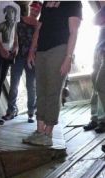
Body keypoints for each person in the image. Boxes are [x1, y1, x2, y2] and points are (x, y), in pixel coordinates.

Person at [23, 1, 82, 146]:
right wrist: (32, 50)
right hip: (42, 50)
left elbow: (74, 32)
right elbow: (39, 28)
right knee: (40, 91)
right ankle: (38, 131)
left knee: (53, 91)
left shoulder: (73, 2)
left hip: (60, 50)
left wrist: (68, 58)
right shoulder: (47, 2)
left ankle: (48, 134)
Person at [3, 1, 42, 123]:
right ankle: (11, 111)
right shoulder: (19, 20)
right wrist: (14, 45)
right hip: (19, 55)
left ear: (40, 11)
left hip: (33, 58)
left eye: (37, 9)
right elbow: (14, 35)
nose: (34, 10)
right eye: (33, 8)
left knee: (31, 86)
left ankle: (31, 112)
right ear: (30, 8)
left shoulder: (40, 24)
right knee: (14, 84)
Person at [84, 4, 105, 134]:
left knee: (101, 85)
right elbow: (95, 20)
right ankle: (95, 118)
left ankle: (103, 120)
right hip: (99, 50)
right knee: (95, 86)